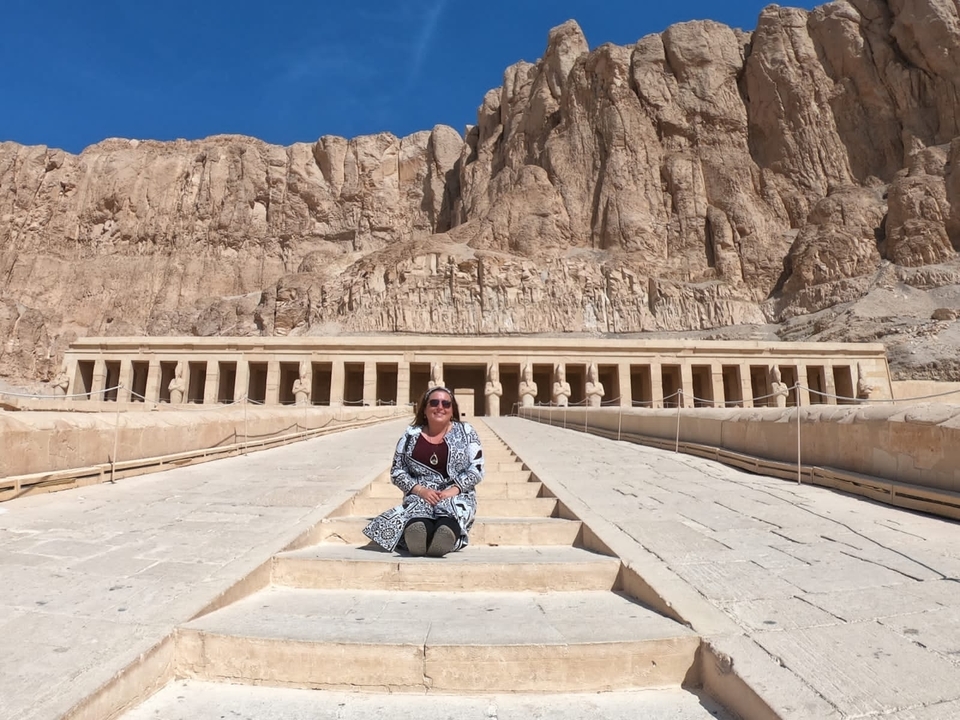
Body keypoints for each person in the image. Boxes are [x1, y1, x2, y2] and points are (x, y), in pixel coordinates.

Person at [363, 386, 484, 557]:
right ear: (425, 409)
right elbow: (397, 471)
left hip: (457, 493)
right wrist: (421, 490)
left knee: (452, 513)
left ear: (452, 410)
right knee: (418, 514)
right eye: (434, 402)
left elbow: (476, 468)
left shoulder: (466, 432)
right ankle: (418, 537)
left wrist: (453, 490)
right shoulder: (411, 435)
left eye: (446, 404)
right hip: (420, 493)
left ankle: (445, 536)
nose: (440, 407)